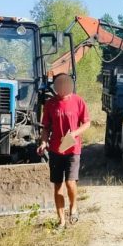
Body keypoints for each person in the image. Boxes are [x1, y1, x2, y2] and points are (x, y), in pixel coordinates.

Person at [37, 73, 90, 228]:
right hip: (55, 150)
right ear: (55, 86)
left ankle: (74, 208)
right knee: (57, 185)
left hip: (73, 149)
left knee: (70, 182)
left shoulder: (78, 101)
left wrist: (74, 133)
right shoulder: (50, 104)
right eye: (59, 84)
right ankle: (61, 221)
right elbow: (46, 127)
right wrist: (43, 142)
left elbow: (86, 123)